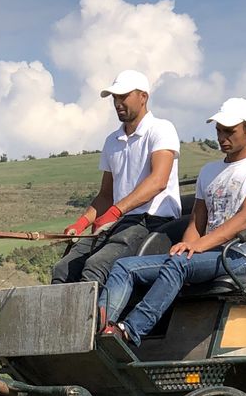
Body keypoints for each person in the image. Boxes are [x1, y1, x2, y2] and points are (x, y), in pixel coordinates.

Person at [98, 97, 246, 345]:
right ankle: (99, 327)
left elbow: (245, 219)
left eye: (230, 131)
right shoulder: (208, 171)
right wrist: (185, 247)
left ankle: (130, 330)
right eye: (218, 130)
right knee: (124, 266)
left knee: (179, 265)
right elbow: (197, 221)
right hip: (206, 254)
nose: (222, 137)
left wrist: (197, 248)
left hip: (238, 256)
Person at [52, 70, 182, 285]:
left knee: (96, 266)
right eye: (115, 98)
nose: (117, 103)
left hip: (152, 222)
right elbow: (106, 195)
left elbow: (158, 182)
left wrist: (115, 211)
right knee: (63, 268)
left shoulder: (161, 129)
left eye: (123, 96)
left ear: (143, 97)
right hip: (120, 222)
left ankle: (97, 319)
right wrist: (82, 223)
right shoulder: (112, 141)